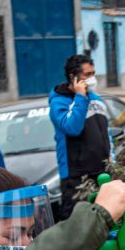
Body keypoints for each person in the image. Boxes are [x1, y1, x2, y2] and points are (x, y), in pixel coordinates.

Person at [49, 54, 112, 220]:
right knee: (75, 226)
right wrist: (80, 97)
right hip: (77, 179)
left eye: (93, 73)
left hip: (102, 174)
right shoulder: (59, 103)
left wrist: (111, 159)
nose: (92, 79)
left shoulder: (96, 99)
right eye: (87, 75)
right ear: (73, 77)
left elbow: (107, 133)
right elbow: (72, 128)